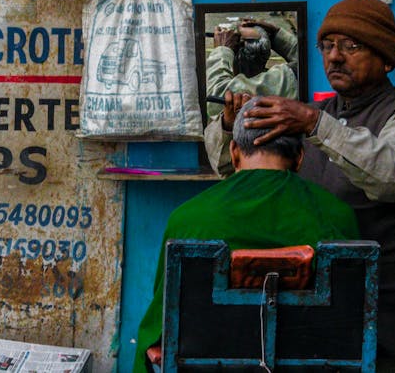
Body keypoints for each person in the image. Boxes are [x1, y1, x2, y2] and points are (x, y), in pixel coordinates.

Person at [204, 0, 395, 372]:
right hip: (330, 324)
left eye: (352, 46)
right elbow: (239, 171)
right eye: (328, 45)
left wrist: (315, 125)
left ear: (386, 59)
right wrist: (230, 126)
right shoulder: (312, 118)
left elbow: (392, 176)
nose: (335, 57)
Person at [134, 97, 360, 373]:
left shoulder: (187, 219)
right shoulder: (337, 217)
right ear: (300, 158)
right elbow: (349, 323)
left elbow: (160, 322)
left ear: (234, 152)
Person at [206, 19, 298, 117]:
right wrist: (277, 36)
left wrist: (222, 49)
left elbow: (215, 98)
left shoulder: (283, 80)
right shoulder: (283, 79)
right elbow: (309, 62)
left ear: (232, 56)